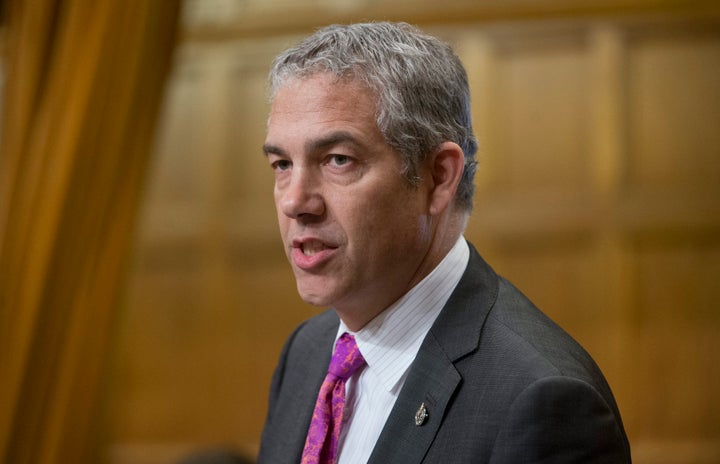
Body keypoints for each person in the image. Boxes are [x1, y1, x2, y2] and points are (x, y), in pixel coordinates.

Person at [257, 22, 630, 464]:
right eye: (282, 164)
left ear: (438, 177)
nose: (296, 201)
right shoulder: (307, 351)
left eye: (339, 160)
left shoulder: (543, 401)